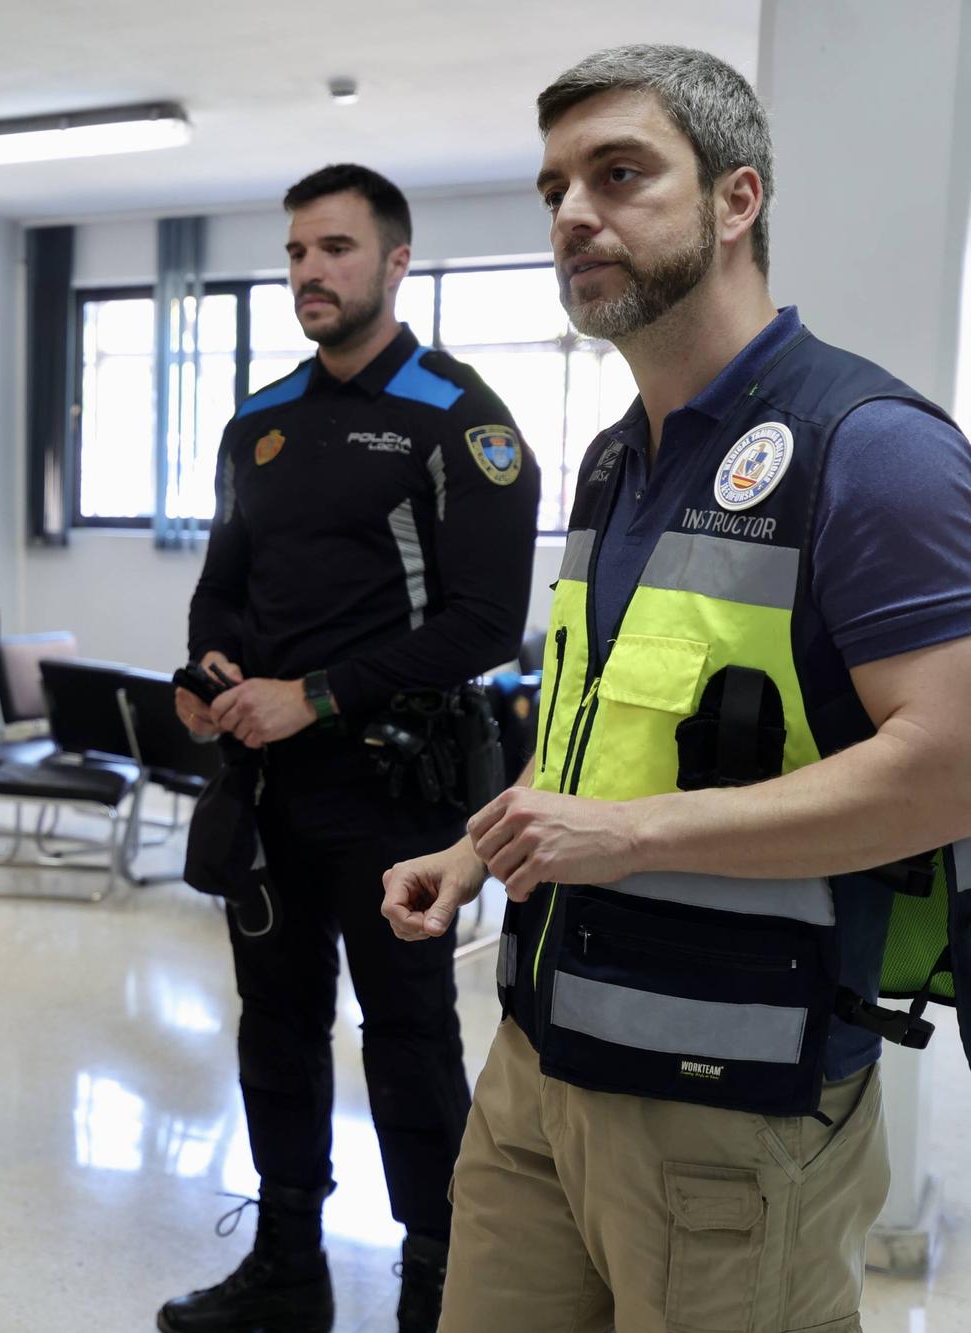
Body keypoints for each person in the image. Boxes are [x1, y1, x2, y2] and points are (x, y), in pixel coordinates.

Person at [382, 45, 971, 1333]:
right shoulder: (609, 463)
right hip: (539, 1063)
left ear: (735, 199)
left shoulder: (869, 451)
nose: (571, 214)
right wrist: (477, 849)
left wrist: (627, 836)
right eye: (551, 189)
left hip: (734, 1110)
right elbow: (596, 745)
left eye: (619, 172)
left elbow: (946, 768)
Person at [162, 165, 540, 1333]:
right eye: (293, 253)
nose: (308, 272)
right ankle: (286, 1265)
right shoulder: (259, 423)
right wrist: (206, 674)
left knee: (407, 1034)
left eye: (333, 249)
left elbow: (483, 621)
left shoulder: (455, 417)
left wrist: (312, 696)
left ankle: (435, 1282)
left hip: (391, 787)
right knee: (271, 1024)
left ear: (394, 263)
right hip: (266, 789)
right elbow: (222, 590)